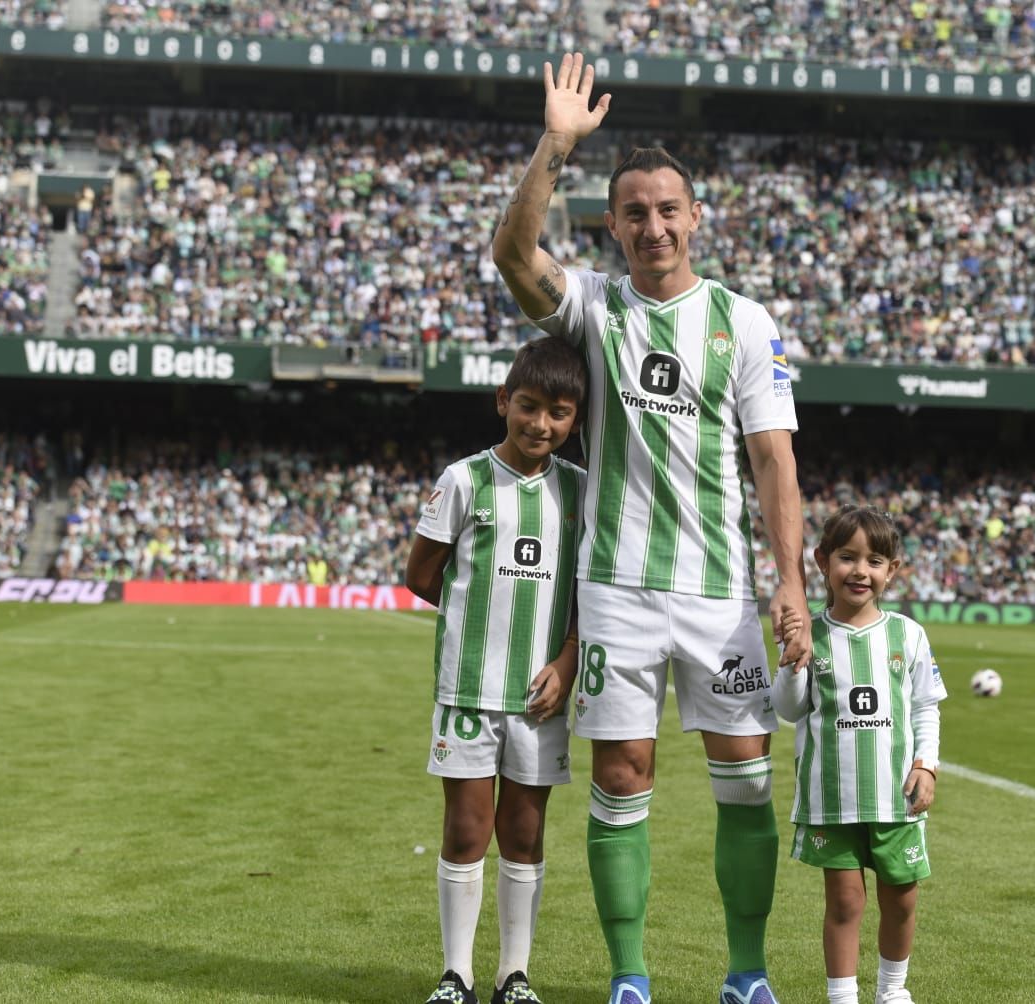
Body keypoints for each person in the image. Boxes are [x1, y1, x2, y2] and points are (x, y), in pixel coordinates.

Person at [489, 52, 812, 1004]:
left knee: (748, 783)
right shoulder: (593, 306)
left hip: (720, 595)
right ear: (613, 223)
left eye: (668, 209)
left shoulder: (745, 324)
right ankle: (629, 978)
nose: (653, 226)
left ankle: (745, 974)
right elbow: (513, 255)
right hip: (620, 592)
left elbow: (774, 462)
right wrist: (557, 143)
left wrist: (789, 580)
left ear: (695, 217)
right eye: (634, 212)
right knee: (623, 778)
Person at [404, 336, 589, 1004]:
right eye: (529, 406)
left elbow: (587, 594)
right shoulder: (465, 480)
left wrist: (567, 662)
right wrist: (474, 614)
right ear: (502, 401)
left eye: (559, 413)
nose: (541, 424)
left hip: (540, 696)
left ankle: (515, 976)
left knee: (525, 831)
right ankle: (457, 976)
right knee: (465, 829)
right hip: (469, 689)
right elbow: (421, 574)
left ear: (575, 420)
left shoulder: (581, 491)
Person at [770, 506, 946, 1004]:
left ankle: (892, 992)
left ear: (892, 570)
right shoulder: (810, 632)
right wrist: (791, 663)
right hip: (834, 795)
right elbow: (788, 710)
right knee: (845, 901)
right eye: (847, 557)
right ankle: (842, 997)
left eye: (874, 560)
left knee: (902, 897)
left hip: (898, 796)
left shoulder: (906, 634)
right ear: (823, 562)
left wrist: (925, 765)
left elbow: (926, 707)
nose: (860, 571)